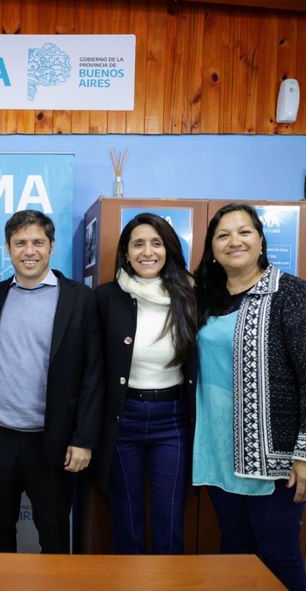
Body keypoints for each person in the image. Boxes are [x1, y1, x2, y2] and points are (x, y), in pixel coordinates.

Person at [192, 203, 306, 591]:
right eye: (223, 235)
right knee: (235, 550)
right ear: (212, 248)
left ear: (260, 240)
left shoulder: (291, 293)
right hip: (219, 451)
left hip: (274, 459)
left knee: (278, 554)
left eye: (244, 232)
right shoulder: (206, 298)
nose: (234, 241)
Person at [0, 209, 102, 553]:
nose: (29, 251)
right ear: (8, 247)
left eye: (37, 242)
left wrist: (83, 439)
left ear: (51, 246)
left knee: (55, 535)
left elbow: (93, 373)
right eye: (20, 243)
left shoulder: (79, 299)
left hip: (53, 441)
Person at [95, 213, 197, 554]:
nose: (147, 252)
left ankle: (168, 580)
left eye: (156, 243)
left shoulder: (190, 296)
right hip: (123, 419)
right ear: (126, 253)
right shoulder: (106, 298)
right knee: (126, 520)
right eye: (138, 244)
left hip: (173, 420)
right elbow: (93, 369)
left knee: (169, 521)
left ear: (169, 249)